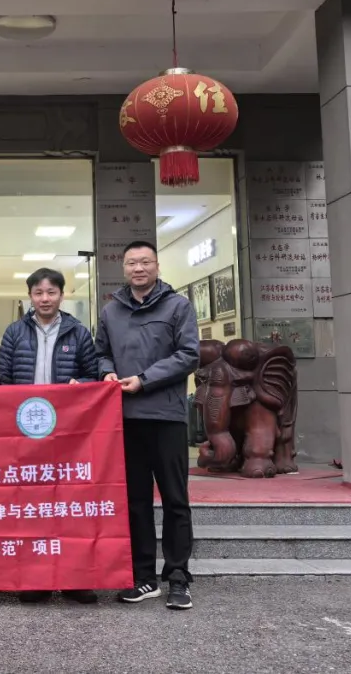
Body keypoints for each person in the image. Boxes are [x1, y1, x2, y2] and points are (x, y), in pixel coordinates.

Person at [96, 241, 199, 610]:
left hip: (167, 417)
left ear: (157, 265)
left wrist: (144, 379)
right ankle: (143, 577)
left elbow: (189, 355)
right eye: (131, 263)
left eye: (145, 262)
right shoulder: (111, 310)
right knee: (135, 501)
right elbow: (101, 352)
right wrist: (107, 372)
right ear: (123, 268)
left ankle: (178, 577)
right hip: (126, 420)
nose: (138, 268)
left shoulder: (178, 306)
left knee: (175, 500)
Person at [0, 267, 99, 605]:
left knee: (71, 505)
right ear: (30, 296)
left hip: (68, 434)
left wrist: (81, 385)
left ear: (61, 295)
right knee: (31, 507)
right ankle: (36, 578)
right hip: (25, 433)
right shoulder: (14, 332)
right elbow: (4, 382)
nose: (45, 299)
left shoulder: (79, 332)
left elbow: (93, 376)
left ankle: (75, 579)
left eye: (51, 292)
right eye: (38, 293)